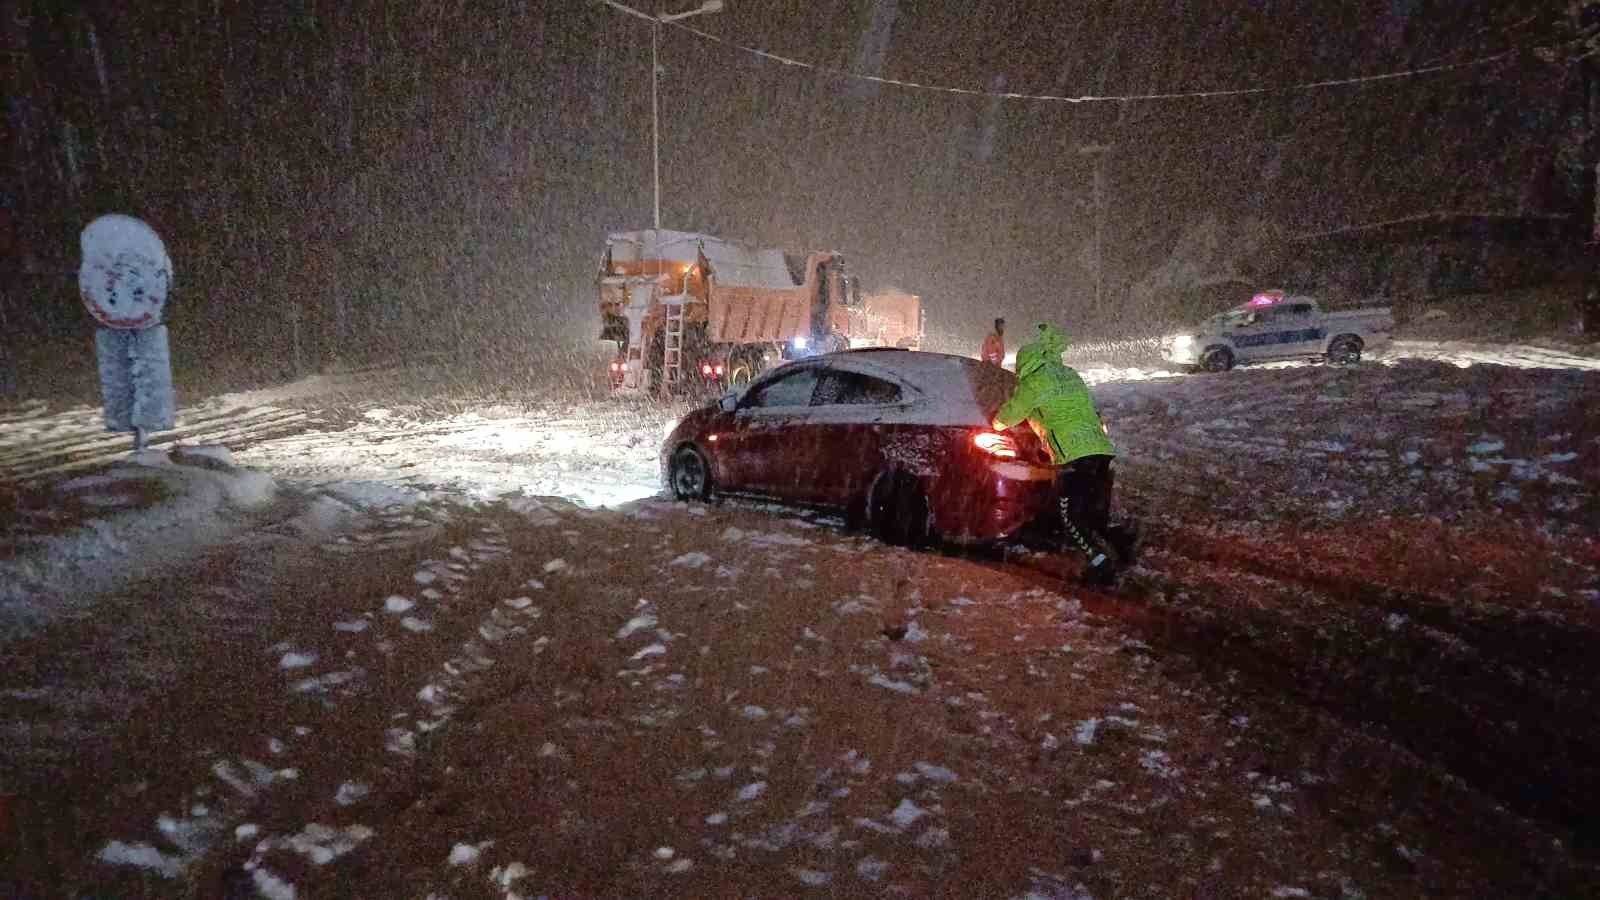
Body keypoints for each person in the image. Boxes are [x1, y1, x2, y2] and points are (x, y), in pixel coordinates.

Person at [992, 322, 1125, 585]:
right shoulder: (1069, 374)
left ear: (1025, 364)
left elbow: (1009, 415)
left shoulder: (1034, 383)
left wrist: (995, 422)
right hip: (1099, 450)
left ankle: (1100, 565)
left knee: (1071, 516)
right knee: (1089, 510)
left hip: (1075, 456)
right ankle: (1119, 547)